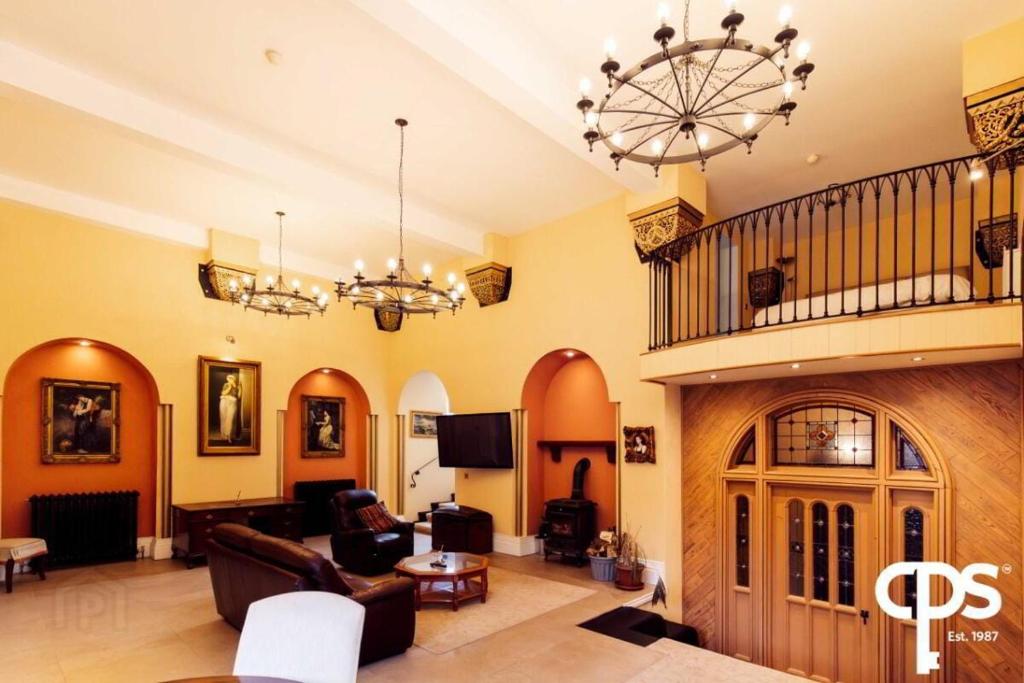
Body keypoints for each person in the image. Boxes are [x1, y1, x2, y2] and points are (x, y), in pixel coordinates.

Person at [219, 374, 242, 443]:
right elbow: (223, 393)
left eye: (232, 378)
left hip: (232, 402)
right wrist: (230, 386)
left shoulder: (236, 386)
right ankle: (224, 436)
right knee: (224, 418)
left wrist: (240, 389)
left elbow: (239, 396)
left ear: (234, 379)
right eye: (229, 378)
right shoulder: (226, 385)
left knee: (230, 418)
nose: (230, 380)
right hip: (224, 401)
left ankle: (229, 435)